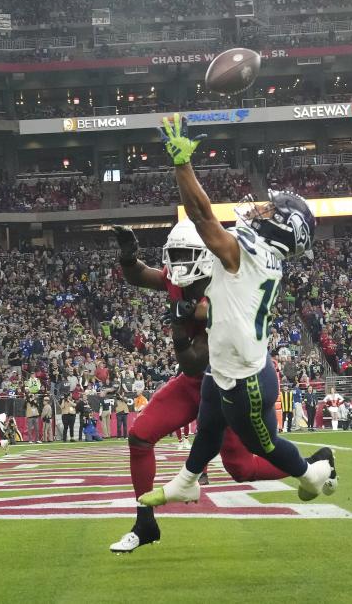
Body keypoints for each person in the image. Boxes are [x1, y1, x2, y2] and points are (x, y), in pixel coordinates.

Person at [140, 115, 335, 514]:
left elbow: (202, 216)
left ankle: (312, 474)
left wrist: (182, 164)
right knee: (208, 426)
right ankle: (185, 483)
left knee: (263, 445)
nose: (260, 209)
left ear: (282, 229)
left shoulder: (245, 254)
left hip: (245, 376)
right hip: (231, 362)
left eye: (270, 210)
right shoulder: (260, 253)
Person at [108, 221, 289, 554]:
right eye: (174, 255)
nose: (177, 263)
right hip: (195, 383)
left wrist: (179, 324)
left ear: (207, 257)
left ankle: (310, 465)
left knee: (241, 468)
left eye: (184, 255)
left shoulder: (223, 293)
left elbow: (193, 359)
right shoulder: (179, 280)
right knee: (140, 435)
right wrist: (129, 257)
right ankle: (144, 521)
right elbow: (141, 276)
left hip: (226, 385)